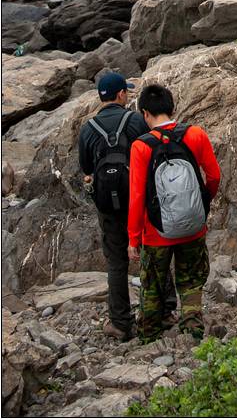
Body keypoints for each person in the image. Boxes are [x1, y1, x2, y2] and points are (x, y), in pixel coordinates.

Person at [79, 71, 174, 341]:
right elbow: (152, 152)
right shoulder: (134, 121)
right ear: (120, 94)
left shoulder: (88, 128)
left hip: (107, 205)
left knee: (116, 262)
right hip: (139, 199)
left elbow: (86, 168)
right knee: (153, 250)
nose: (129, 95)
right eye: (127, 91)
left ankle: (120, 323)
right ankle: (164, 312)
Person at [127, 84, 221, 343]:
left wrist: (134, 238)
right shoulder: (196, 134)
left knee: (153, 286)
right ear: (172, 107)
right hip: (194, 226)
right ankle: (192, 333)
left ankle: (149, 337)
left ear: (145, 113)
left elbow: (136, 197)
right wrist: (201, 204)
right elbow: (214, 176)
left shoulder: (141, 146)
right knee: (191, 281)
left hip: (155, 232)